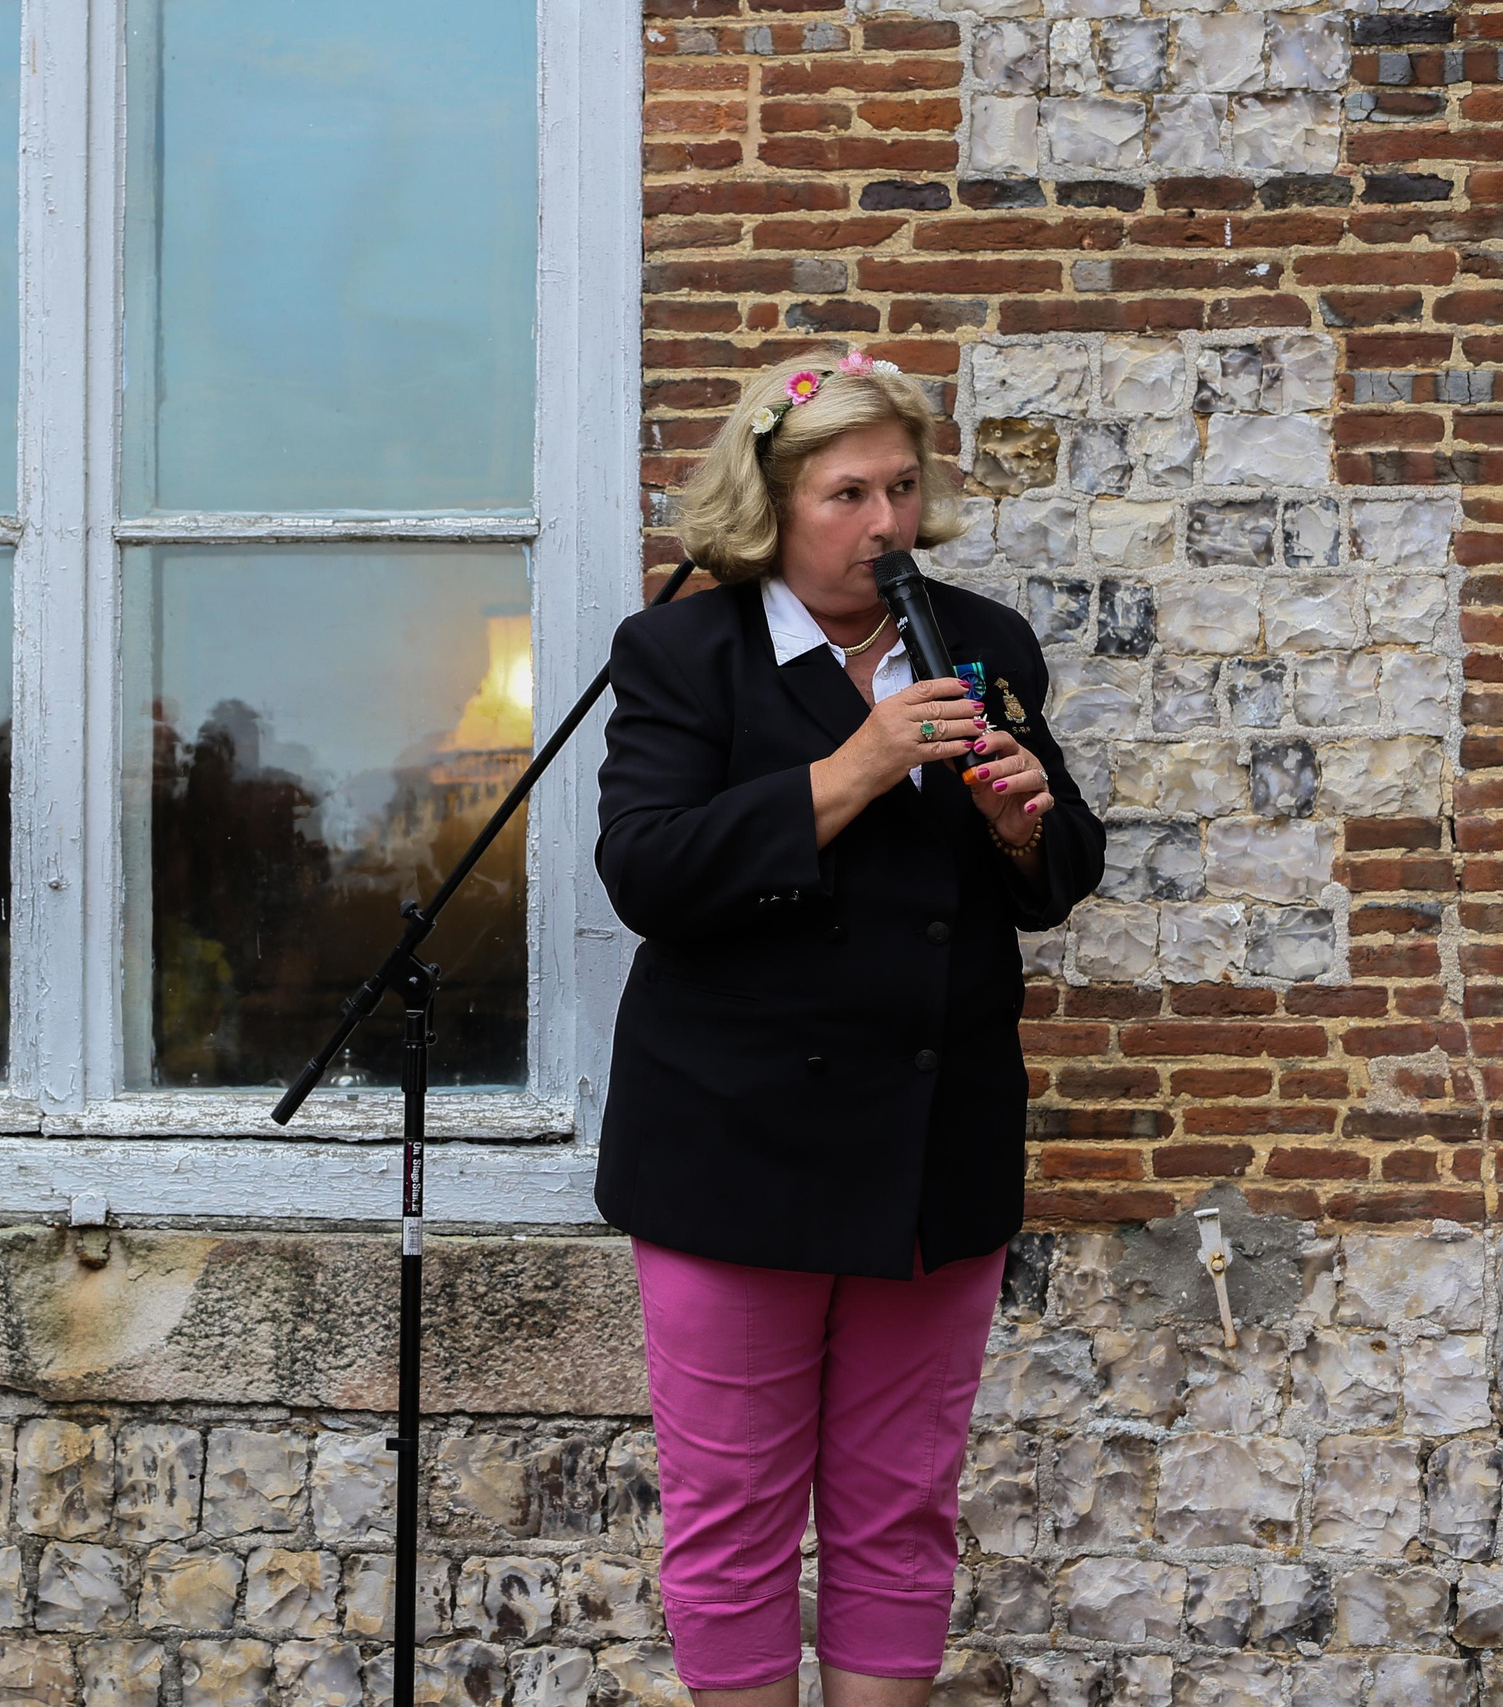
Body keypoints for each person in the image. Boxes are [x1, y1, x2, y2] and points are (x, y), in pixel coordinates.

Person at [594, 350, 1105, 1707]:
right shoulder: (682, 649)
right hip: (732, 1148)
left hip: (933, 1144)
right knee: (735, 1514)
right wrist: (860, 764)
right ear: (769, 503)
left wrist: (1021, 830)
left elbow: (1057, 872)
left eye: (900, 486)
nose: (884, 522)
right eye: (846, 492)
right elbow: (648, 871)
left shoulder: (978, 632)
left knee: (900, 1506)